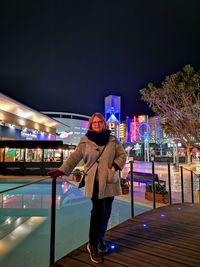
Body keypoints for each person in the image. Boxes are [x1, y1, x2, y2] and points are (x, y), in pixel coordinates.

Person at [48, 112, 126, 264]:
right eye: (94, 122)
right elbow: (74, 157)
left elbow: (122, 155)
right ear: (91, 124)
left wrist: (113, 167)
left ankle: (101, 237)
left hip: (109, 181)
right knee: (98, 211)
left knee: (107, 210)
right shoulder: (85, 141)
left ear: (104, 123)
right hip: (94, 181)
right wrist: (61, 170)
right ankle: (92, 244)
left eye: (99, 122)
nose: (97, 124)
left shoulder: (113, 139)